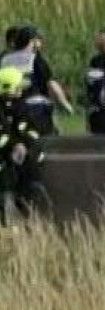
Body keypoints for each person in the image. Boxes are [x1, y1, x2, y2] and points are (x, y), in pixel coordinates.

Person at [1, 25, 73, 136]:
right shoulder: (35, 59)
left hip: (9, 108)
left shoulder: (5, 59)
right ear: (32, 41)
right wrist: (65, 104)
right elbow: (51, 84)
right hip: (34, 108)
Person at [0, 68, 48, 219]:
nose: (21, 89)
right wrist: (12, 145)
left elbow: (32, 130)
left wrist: (24, 145)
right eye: (18, 86)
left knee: (30, 177)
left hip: (24, 157)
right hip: (4, 158)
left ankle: (30, 202)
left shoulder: (23, 107)